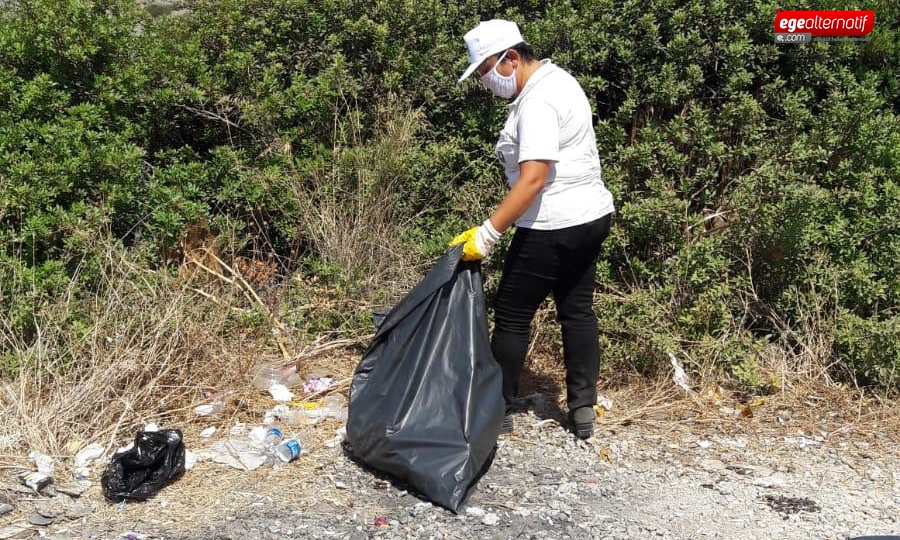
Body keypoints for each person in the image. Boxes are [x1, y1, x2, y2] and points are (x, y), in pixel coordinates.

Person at [451, 19, 615, 439]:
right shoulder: (561, 82)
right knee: (576, 310)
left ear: (511, 57)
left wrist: (487, 233)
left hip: (552, 223)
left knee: (512, 313)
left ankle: (497, 408)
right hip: (591, 216)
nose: (486, 82)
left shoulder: (538, 102)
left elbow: (534, 178)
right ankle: (582, 410)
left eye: (486, 70)